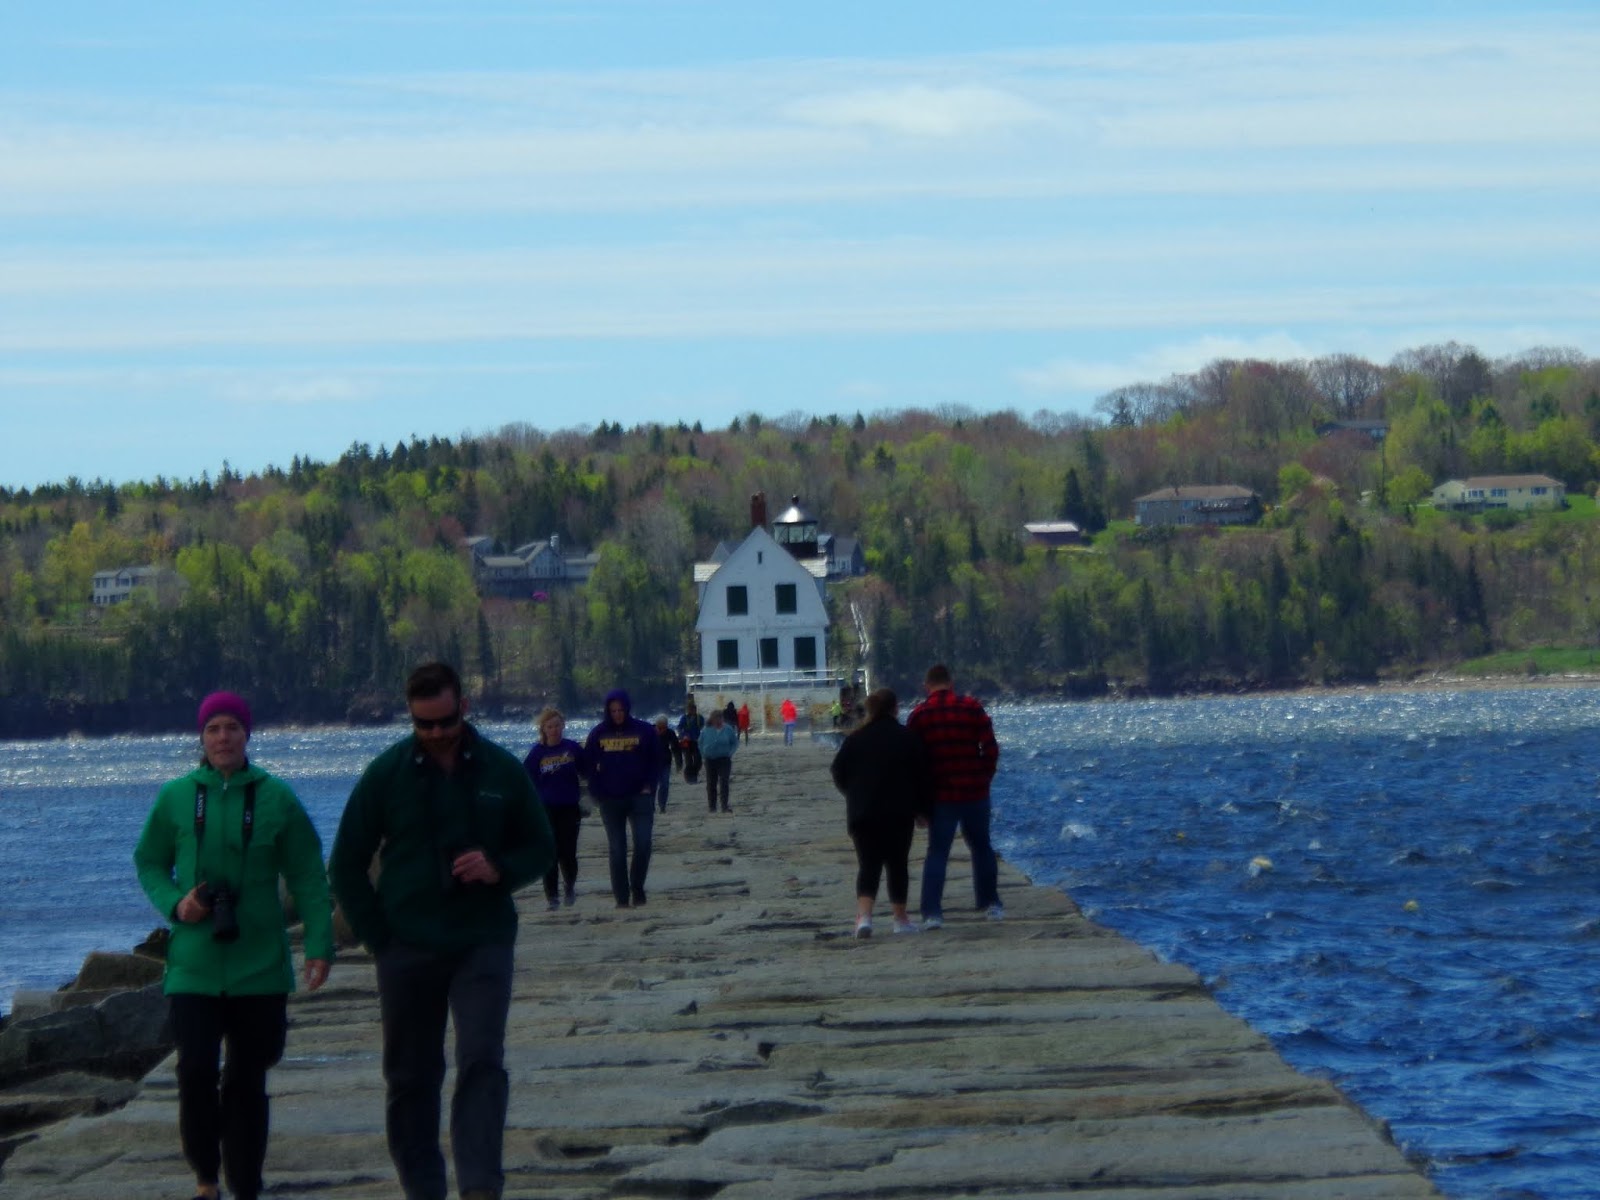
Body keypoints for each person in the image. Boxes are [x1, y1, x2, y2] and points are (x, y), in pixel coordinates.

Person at [329, 662, 555, 1200]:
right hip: (404, 946)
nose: (434, 734)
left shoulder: (502, 770)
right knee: (410, 1076)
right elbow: (345, 866)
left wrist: (498, 868)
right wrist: (377, 938)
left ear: (464, 708)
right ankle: (423, 1189)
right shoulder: (385, 775)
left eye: (444, 721)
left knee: (481, 1060)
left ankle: (480, 1187)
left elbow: (542, 848)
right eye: (422, 725)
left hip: (483, 940)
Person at [133, 691, 333, 1200]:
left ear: (248, 735)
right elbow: (149, 862)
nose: (223, 738)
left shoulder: (277, 797)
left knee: (247, 1078)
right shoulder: (177, 795)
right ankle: (205, 1177)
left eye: (232, 728)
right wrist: (177, 904)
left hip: (259, 965)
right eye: (214, 729)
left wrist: (320, 943)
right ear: (201, 738)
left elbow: (308, 874)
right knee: (195, 1070)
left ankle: (245, 1183)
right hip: (194, 965)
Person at [906, 663, 1002, 928]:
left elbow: (912, 763)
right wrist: (984, 777)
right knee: (982, 848)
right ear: (952, 682)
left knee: (937, 853)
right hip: (974, 791)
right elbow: (991, 748)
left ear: (927, 686)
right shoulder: (972, 707)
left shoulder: (919, 715)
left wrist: (918, 803)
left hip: (941, 796)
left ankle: (932, 913)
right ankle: (991, 903)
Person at [829, 688, 931, 938]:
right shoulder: (907, 738)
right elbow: (922, 777)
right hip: (899, 813)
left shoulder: (855, 739)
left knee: (868, 865)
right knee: (897, 865)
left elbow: (837, 771)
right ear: (895, 709)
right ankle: (900, 919)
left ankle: (864, 918)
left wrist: (852, 794)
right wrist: (922, 810)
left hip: (863, 813)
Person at [584, 689, 659, 907]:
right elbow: (589, 765)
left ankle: (637, 886)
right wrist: (596, 791)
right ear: (607, 711)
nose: (617, 714)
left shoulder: (644, 731)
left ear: (627, 709)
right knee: (617, 849)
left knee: (643, 843)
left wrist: (649, 786)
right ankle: (622, 897)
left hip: (640, 797)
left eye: (621, 710)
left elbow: (656, 760)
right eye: (613, 711)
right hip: (610, 800)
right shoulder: (598, 733)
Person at [523, 707, 587, 910]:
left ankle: (569, 887)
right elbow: (525, 781)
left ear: (563, 725)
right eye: (550, 726)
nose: (554, 730)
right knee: (550, 854)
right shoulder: (537, 753)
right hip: (546, 810)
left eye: (558, 725)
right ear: (543, 729)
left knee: (568, 853)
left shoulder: (572, 748)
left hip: (569, 807)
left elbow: (587, 770)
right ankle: (552, 897)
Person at [699, 706, 739, 813]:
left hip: (724, 760)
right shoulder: (706, 730)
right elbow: (700, 743)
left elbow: (734, 742)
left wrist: (730, 753)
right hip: (710, 760)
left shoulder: (728, 729)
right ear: (712, 720)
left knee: (724, 781)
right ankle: (712, 806)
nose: (719, 721)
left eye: (720, 719)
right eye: (716, 719)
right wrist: (704, 753)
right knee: (711, 783)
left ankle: (724, 806)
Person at [652, 714, 682, 813]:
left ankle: (662, 805)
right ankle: (650, 806)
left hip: (665, 762)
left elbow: (676, 749)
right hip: (651, 763)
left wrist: (679, 763)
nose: (661, 730)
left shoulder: (670, 733)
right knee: (652, 786)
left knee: (664, 785)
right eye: (659, 727)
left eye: (663, 728)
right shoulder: (649, 732)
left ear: (666, 726)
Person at [677, 698, 705, 782]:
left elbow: (704, 727)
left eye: (693, 709)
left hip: (697, 741)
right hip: (687, 742)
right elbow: (679, 728)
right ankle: (689, 777)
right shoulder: (684, 718)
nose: (692, 710)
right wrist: (683, 735)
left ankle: (694, 774)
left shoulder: (699, 718)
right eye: (690, 709)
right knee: (688, 761)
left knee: (698, 761)